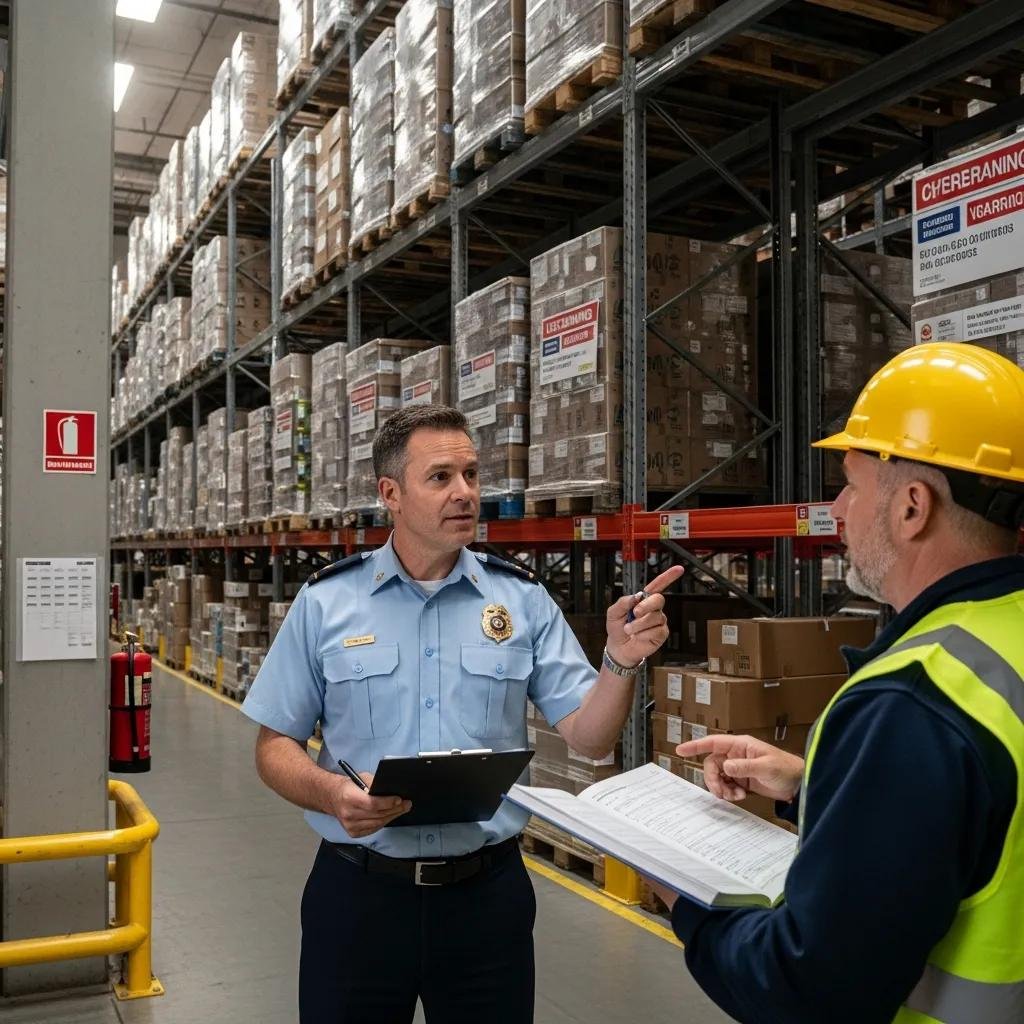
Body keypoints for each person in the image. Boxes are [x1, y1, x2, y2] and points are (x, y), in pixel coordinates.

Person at [241, 404, 682, 1023]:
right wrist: (330, 793)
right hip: (359, 897)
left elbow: (588, 735)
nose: (466, 493)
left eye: (472, 475)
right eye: (441, 477)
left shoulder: (521, 599)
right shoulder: (326, 602)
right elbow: (273, 747)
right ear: (390, 494)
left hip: (486, 901)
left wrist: (621, 661)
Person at [648, 342, 1024, 1023]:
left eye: (851, 484)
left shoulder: (914, 700)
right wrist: (813, 784)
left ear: (913, 507)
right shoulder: (1002, 645)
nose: (839, 511)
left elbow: (810, 989)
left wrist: (689, 901)